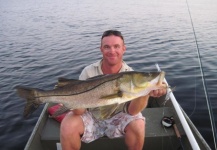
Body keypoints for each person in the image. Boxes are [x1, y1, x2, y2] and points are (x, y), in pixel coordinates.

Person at [60, 30, 167, 150]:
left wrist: (146, 92)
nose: (112, 51)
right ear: (101, 49)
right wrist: (69, 101)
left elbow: (132, 111)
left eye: (116, 46)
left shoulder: (130, 74)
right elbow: (79, 112)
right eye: (107, 47)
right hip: (91, 115)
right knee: (68, 124)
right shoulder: (88, 72)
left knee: (138, 124)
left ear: (123, 49)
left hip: (119, 116)